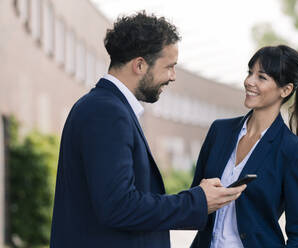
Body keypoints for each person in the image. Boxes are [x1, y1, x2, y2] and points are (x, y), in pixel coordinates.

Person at [50, 12, 246, 248]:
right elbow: (118, 207)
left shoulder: (107, 108)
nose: (173, 77)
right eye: (169, 67)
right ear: (140, 65)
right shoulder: (106, 112)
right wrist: (198, 200)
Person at [190, 45, 298, 248]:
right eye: (250, 73)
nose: (249, 81)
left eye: (261, 77)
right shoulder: (219, 131)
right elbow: (194, 198)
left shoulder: (292, 150)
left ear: (286, 89)